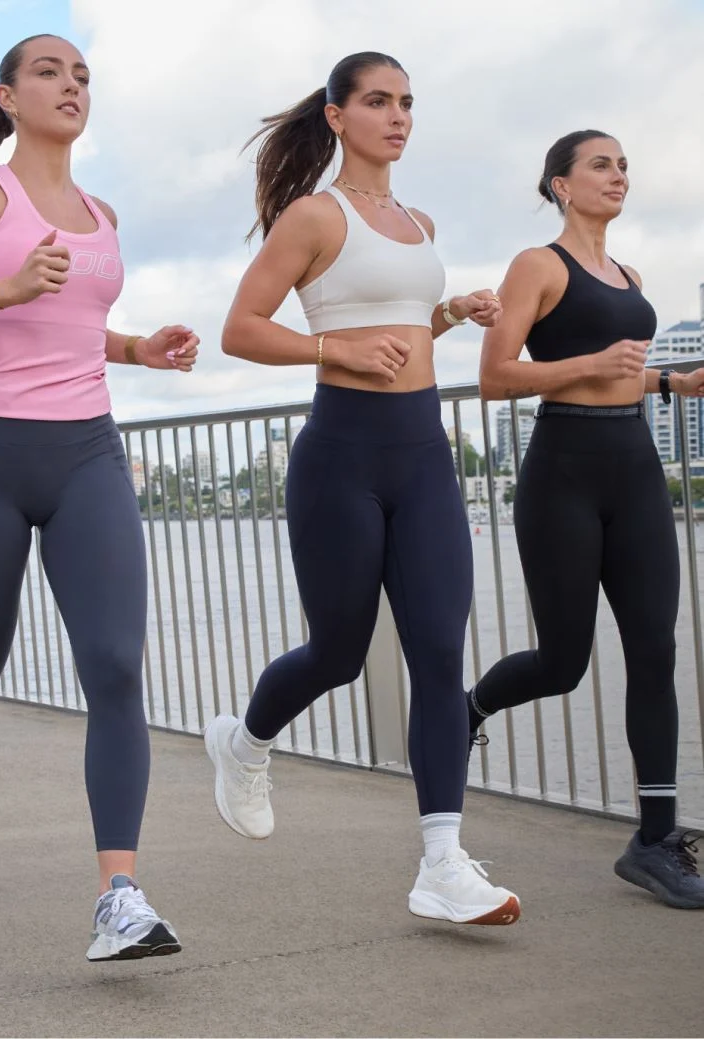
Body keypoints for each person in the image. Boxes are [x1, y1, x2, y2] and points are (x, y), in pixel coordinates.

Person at [204, 51, 520, 926]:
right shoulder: (315, 214)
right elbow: (240, 328)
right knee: (338, 653)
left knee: (439, 655)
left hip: (423, 456)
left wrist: (456, 314)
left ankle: (443, 860)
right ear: (338, 116)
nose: (398, 116)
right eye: (378, 101)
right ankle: (245, 741)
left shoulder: (417, 220)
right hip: (341, 455)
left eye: (407, 102)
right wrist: (330, 350)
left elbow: (406, 325)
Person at [0, 34, 200, 959]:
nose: (72, 84)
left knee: (117, 664)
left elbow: (76, 324)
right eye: (50, 71)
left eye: (83, 74)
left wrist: (137, 349)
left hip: (88, 454)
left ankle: (119, 896)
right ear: (7, 94)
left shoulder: (102, 211)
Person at [470, 129, 704, 909]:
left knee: (653, 651)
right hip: (563, 472)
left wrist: (671, 382)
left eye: (625, 164)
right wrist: (592, 366)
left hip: (635, 469)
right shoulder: (538, 266)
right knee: (563, 661)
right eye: (601, 164)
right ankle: (468, 708)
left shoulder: (631, 275)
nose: (620, 175)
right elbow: (496, 378)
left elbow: (624, 378)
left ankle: (655, 839)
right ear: (561, 185)